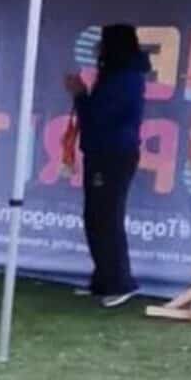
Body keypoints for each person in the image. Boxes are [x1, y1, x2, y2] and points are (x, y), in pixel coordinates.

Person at [65, 23, 146, 307]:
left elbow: (99, 116)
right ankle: (103, 279)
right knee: (96, 216)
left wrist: (80, 94)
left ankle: (119, 282)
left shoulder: (124, 78)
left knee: (106, 217)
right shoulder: (118, 74)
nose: (97, 49)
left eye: (102, 44)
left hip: (112, 154)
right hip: (105, 151)